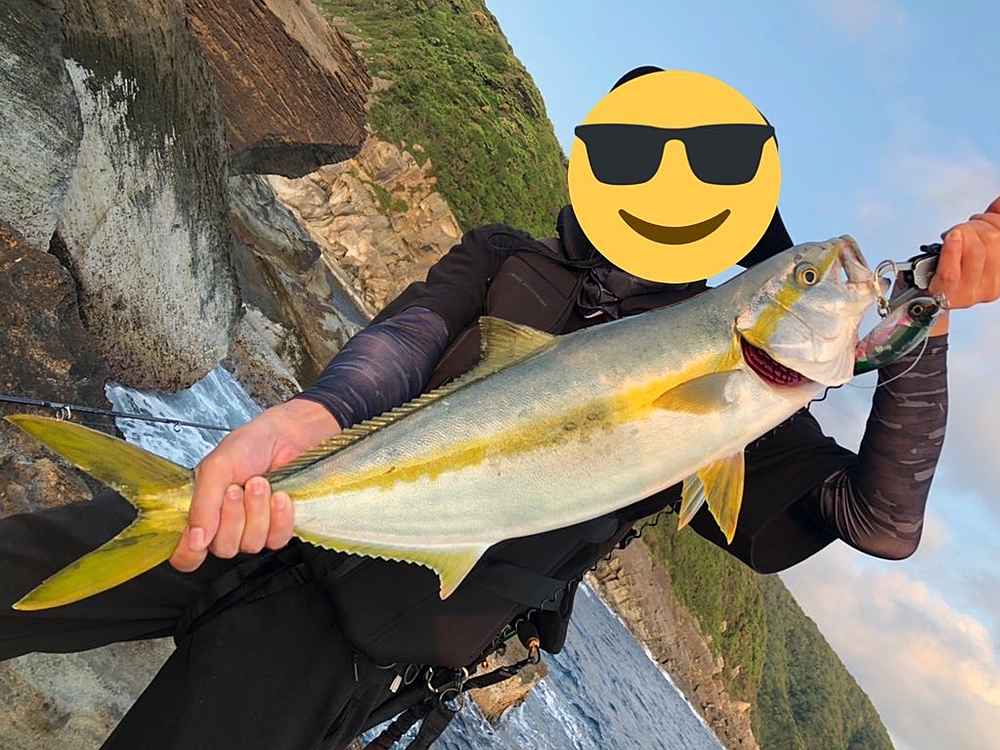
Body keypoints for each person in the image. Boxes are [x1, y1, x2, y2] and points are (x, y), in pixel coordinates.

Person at [2, 81, 1000, 750]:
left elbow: (880, 522)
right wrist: (307, 417)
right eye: (634, 152)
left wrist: (926, 324)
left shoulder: (744, 398)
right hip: (262, 514)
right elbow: (398, 348)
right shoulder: (502, 256)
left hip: (348, 647)